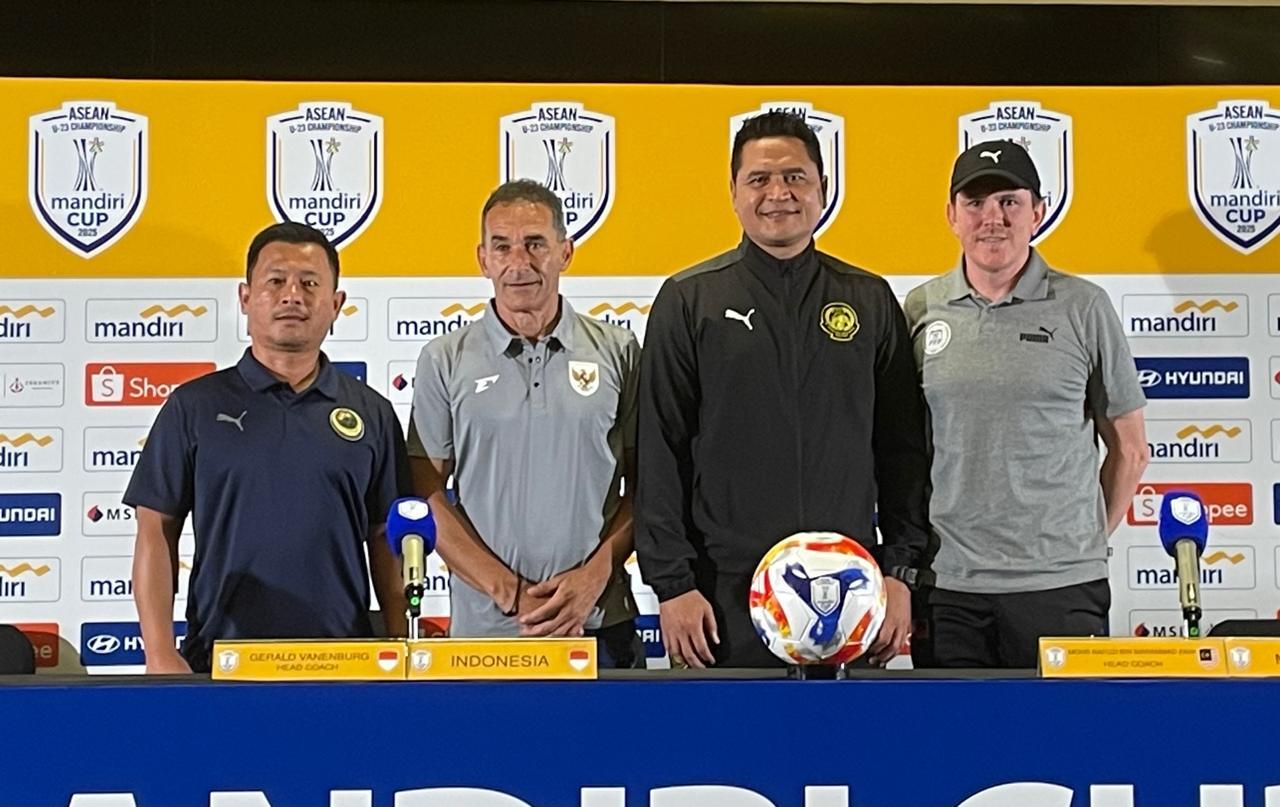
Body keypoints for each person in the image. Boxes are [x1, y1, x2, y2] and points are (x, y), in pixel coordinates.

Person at [634, 111, 930, 668]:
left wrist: (900, 574)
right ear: (734, 192)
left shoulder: (867, 299)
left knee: (845, 754)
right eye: (759, 179)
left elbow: (902, 454)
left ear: (823, 188)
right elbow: (659, 454)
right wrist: (672, 586)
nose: (778, 194)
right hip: (720, 599)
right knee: (728, 756)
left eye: (795, 177)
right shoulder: (688, 300)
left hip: (851, 594)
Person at [903, 140, 1149, 668]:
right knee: (955, 747)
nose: (993, 218)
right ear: (951, 216)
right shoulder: (921, 308)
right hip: (949, 586)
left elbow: (1129, 448)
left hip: (1060, 587)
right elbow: (902, 448)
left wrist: (1081, 540)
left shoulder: (1084, 306)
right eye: (975, 203)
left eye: (1009, 202)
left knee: (1061, 748)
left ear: (1038, 212)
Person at [126, 222, 410, 674]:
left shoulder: (372, 412)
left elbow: (385, 536)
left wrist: (400, 644)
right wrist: (159, 650)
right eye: (276, 281)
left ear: (336, 304)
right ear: (245, 298)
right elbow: (155, 530)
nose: (292, 295)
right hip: (222, 659)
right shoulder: (193, 407)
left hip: (344, 663)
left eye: (310, 284)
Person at [407, 179, 643, 667]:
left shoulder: (619, 351)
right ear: (483, 258)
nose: (520, 262)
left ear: (565, 252)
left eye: (536, 244)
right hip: (486, 634)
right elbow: (423, 491)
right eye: (502, 246)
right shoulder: (445, 359)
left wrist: (594, 577)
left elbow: (651, 487)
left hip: (597, 621)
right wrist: (508, 590)